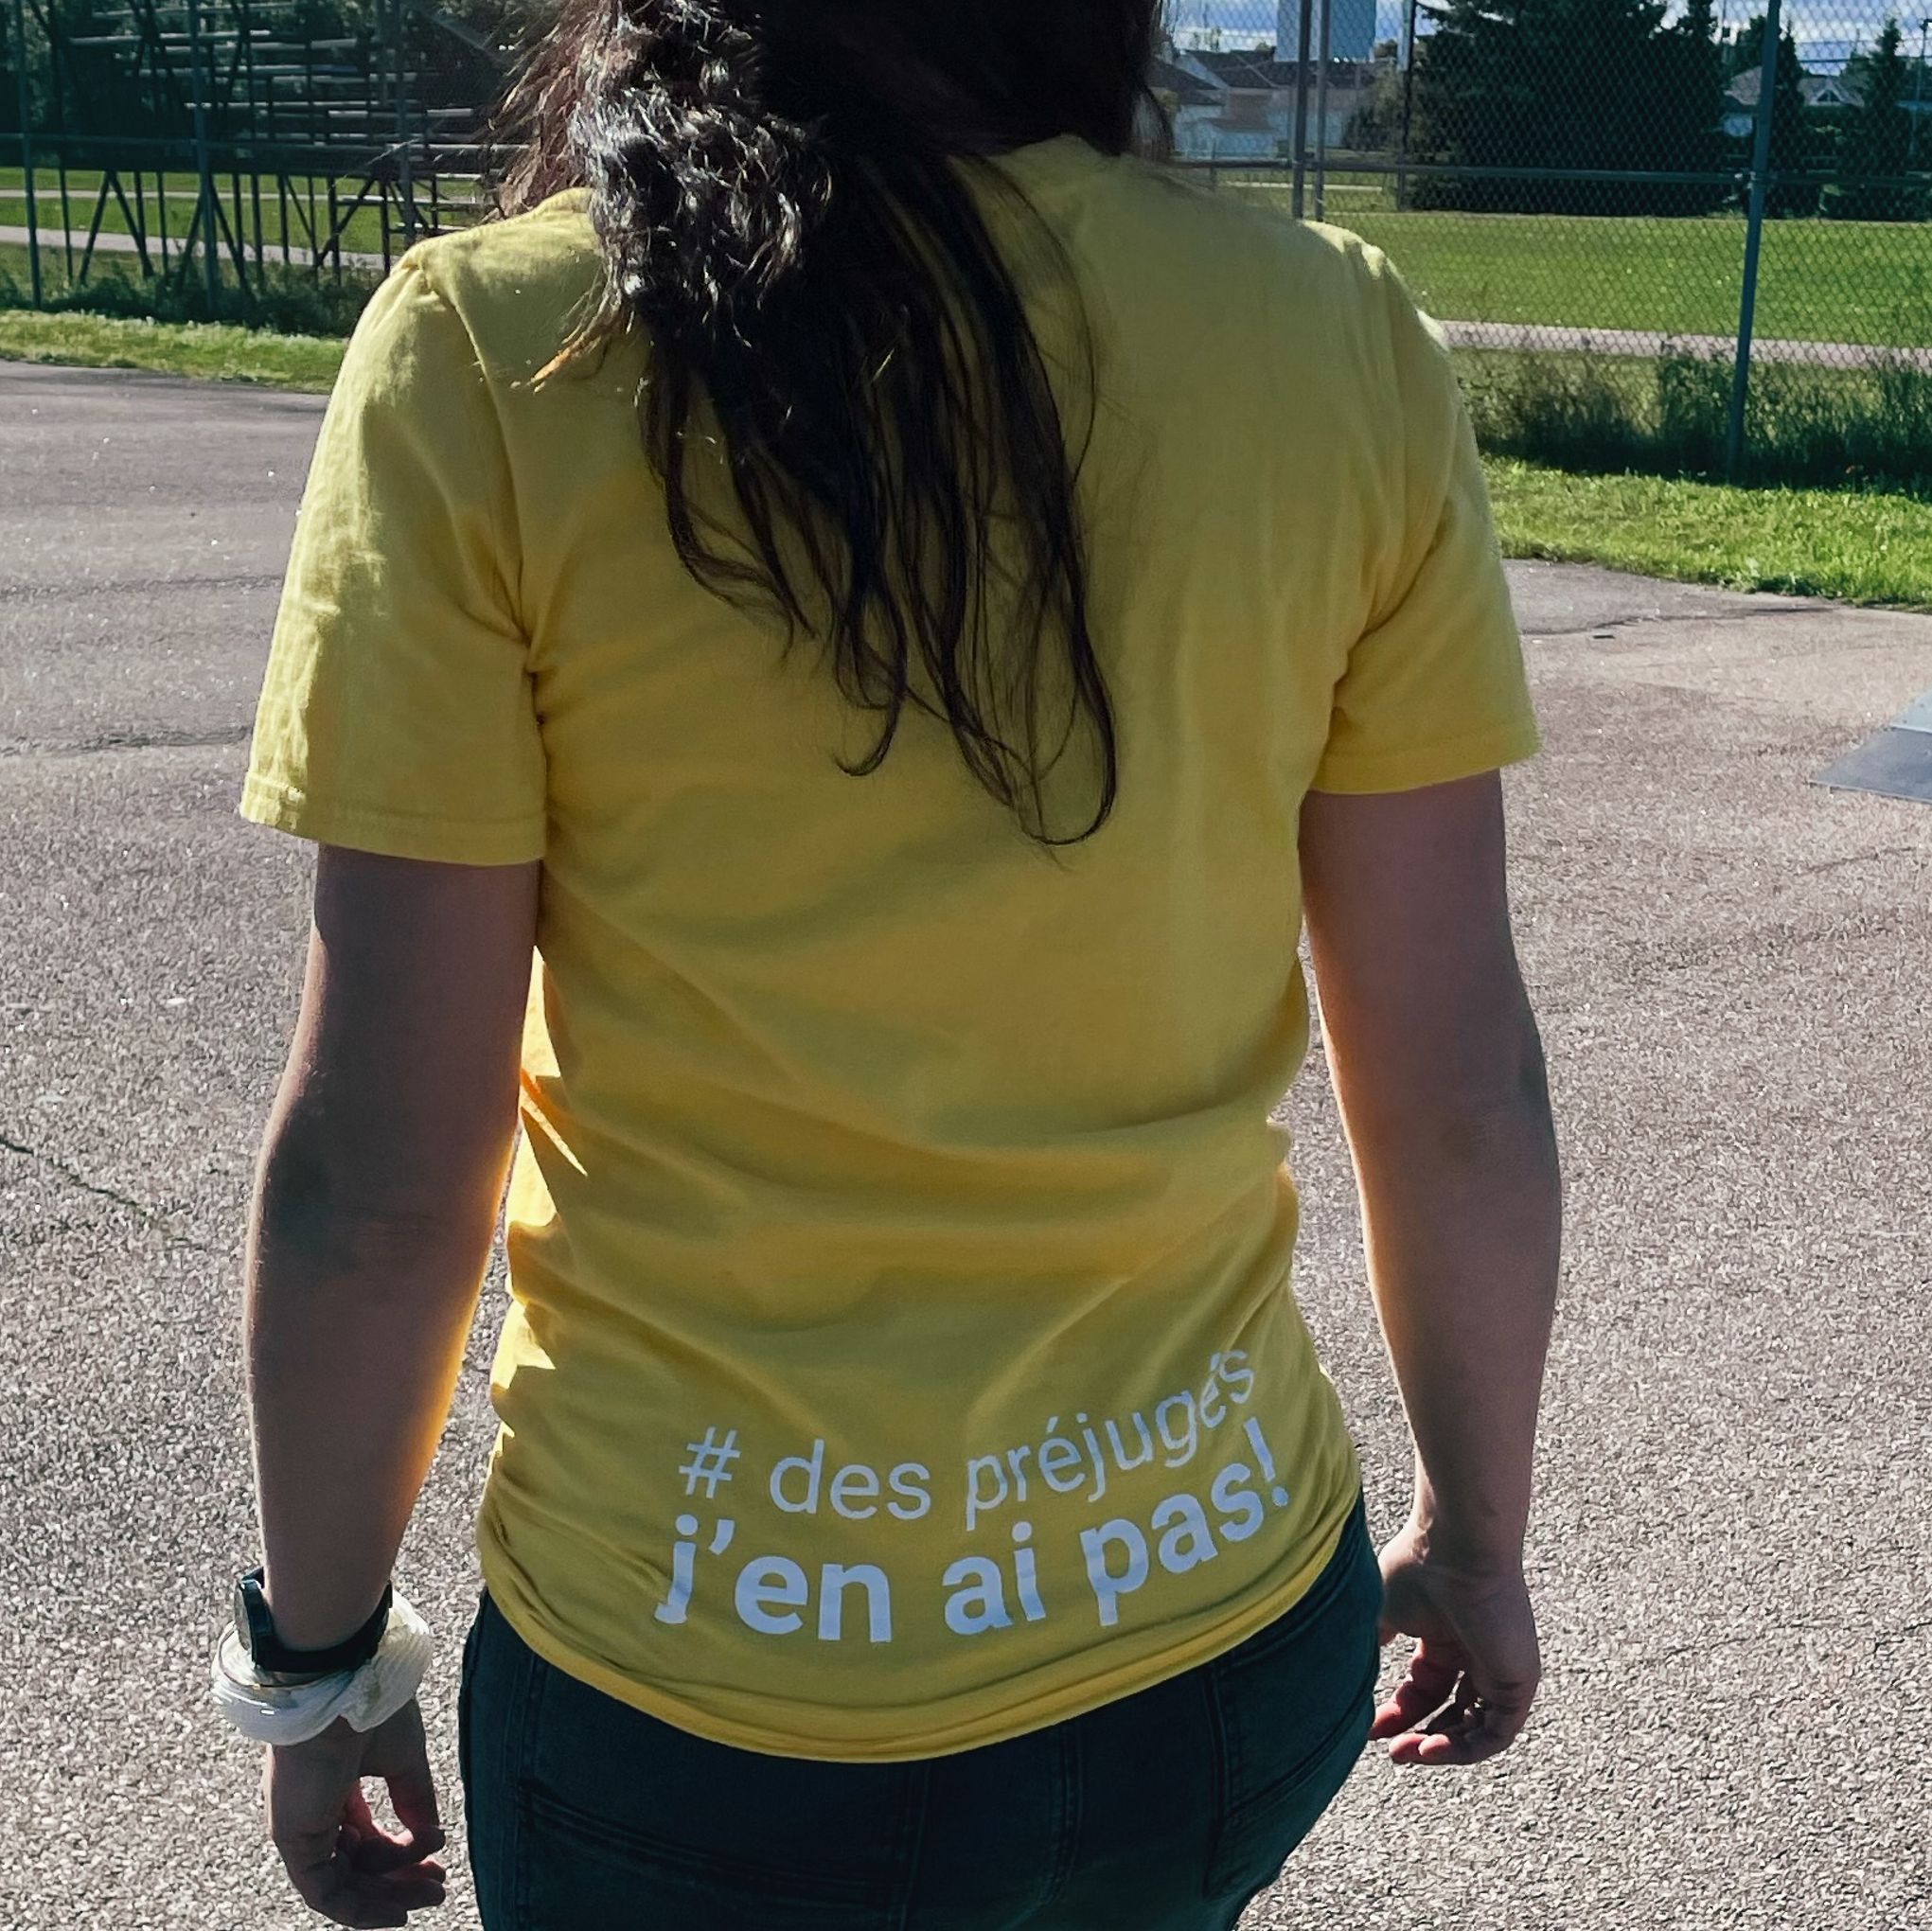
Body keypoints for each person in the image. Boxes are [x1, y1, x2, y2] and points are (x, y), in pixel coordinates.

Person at [210, 3, 1562, 1927]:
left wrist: (322, 1663)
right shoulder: (1335, 333)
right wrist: (1481, 1535)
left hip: (696, 1696)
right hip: (1209, 1622)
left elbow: (382, 1174)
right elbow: (1455, 1083)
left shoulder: (488, 352)